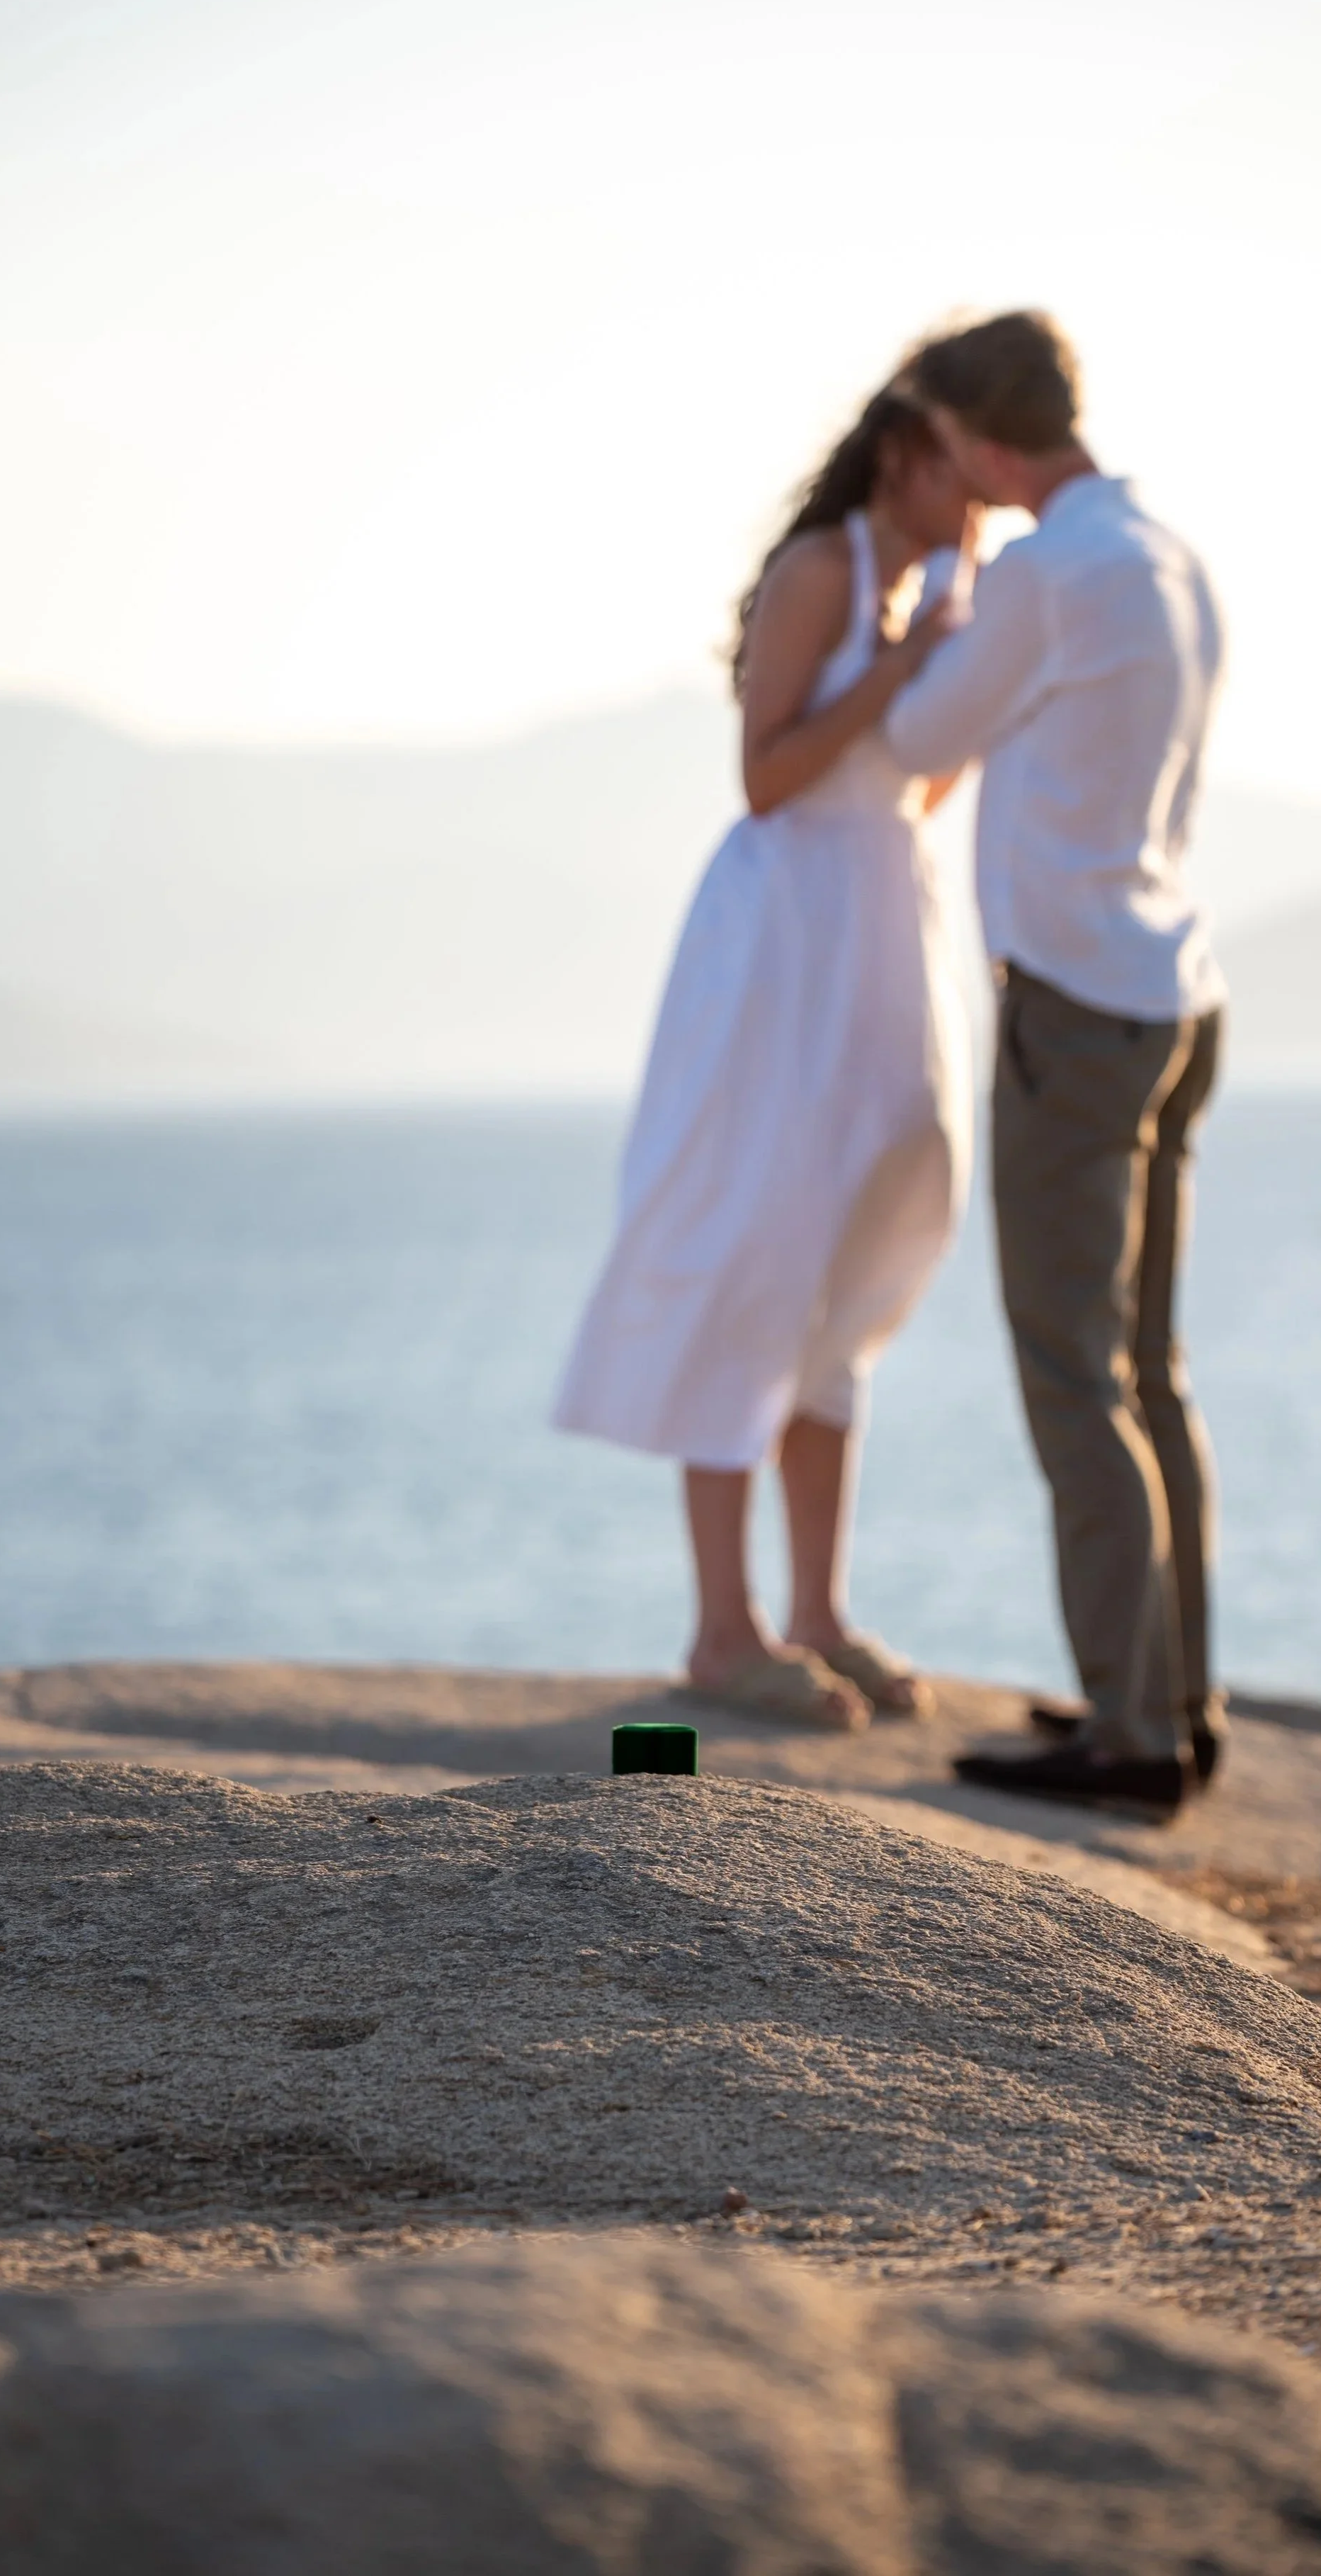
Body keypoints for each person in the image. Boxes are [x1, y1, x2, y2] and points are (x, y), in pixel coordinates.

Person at [553, 380, 977, 1730]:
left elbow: (919, 786)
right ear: (902, 457)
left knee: (860, 1260)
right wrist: (907, 671)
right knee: (753, 1249)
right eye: (960, 464)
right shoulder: (818, 575)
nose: (979, 490)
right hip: (787, 940)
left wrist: (955, 666)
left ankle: (818, 1611)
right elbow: (768, 774)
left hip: (886, 932)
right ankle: (723, 1629)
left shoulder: (932, 590)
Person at [885, 312, 1226, 1816]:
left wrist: (940, 597)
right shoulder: (1168, 555)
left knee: (1073, 1376)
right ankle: (1175, 1700)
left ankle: (1129, 1737)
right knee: (1148, 1372)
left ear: (978, 441)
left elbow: (918, 736)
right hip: (1177, 988)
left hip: (1077, 1005)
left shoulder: (1041, 576)